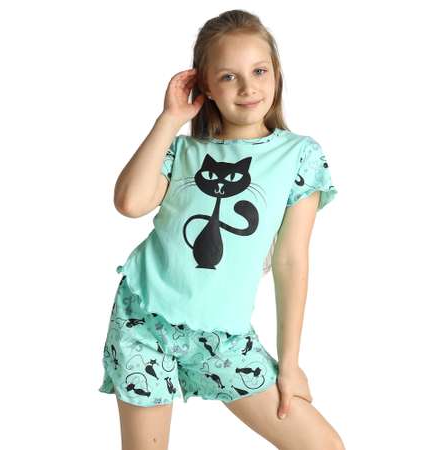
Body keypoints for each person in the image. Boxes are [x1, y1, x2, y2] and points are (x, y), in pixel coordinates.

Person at [98, 9, 345, 450]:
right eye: (229, 77)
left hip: (224, 338)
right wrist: (170, 118)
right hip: (143, 318)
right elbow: (129, 203)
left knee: (321, 445)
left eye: (259, 71)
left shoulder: (299, 156)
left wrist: (289, 364)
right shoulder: (183, 150)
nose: (248, 87)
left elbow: (291, 261)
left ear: (276, 73)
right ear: (206, 86)